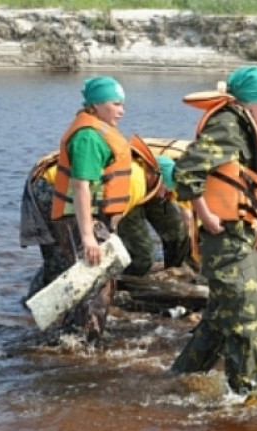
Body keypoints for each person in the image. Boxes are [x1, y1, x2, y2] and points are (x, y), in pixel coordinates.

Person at [169, 65, 257, 401]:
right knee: (245, 312)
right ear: (252, 101)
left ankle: (182, 377)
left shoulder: (241, 125)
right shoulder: (229, 124)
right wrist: (204, 213)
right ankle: (246, 395)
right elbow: (186, 171)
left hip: (236, 235)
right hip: (224, 237)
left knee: (219, 317)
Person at [19, 75, 131, 341]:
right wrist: (88, 237)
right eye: (115, 104)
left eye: (122, 104)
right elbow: (80, 187)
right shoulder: (88, 137)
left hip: (85, 218)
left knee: (96, 280)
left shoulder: (97, 131)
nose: (121, 110)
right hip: (76, 219)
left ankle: (74, 337)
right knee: (95, 281)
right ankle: (82, 344)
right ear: (95, 106)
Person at [115, 136, 193, 276]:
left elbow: (187, 216)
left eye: (170, 191)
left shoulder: (171, 178)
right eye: (166, 189)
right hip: (128, 204)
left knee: (177, 233)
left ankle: (172, 271)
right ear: (157, 177)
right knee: (143, 255)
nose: (167, 194)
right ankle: (127, 281)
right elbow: (113, 221)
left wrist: (190, 246)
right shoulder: (133, 181)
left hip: (150, 192)